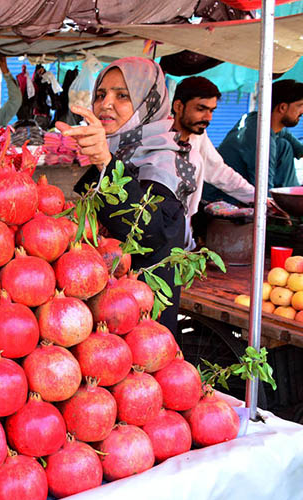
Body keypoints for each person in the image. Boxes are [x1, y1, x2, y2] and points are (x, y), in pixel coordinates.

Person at [57, 57, 197, 337]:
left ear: (150, 103)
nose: (106, 103)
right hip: (98, 314)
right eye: (100, 94)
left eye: (122, 95)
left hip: (141, 321)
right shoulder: (117, 151)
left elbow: (147, 232)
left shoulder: (166, 160)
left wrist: (105, 163)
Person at [170, 76, 255, 248]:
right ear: (178, 106)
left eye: (212, 111)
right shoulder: (154, 138)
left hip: (183, 229)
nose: (208, 118)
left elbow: (220, 172)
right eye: (201, 109)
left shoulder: (198, 137)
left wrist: (258, 198)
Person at [206, 79, 303, 203]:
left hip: (244, 191)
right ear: (283, 107)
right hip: (222, 200)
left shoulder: (256, 120)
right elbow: (263, 189)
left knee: (284, 145)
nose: (302, 112)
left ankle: (293, 200)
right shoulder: (261, 139)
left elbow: (298, 148)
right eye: (300, 106)